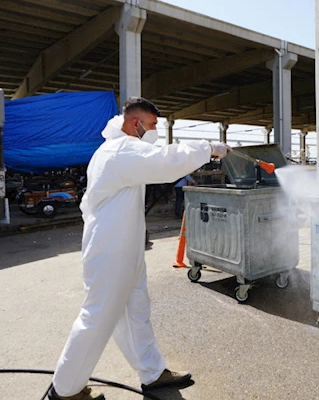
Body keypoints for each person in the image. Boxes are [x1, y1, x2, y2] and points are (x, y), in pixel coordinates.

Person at [48, 97, 230, 400]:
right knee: (98, 316)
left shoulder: (116, 150)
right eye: (153, 125)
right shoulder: (121, 150)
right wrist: (207, 148)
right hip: (109, 249)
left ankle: (152, 372)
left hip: (124, 246)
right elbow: (165, 162)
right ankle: (66, 390)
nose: (155, 131)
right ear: (136, 123)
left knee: (136, 312)